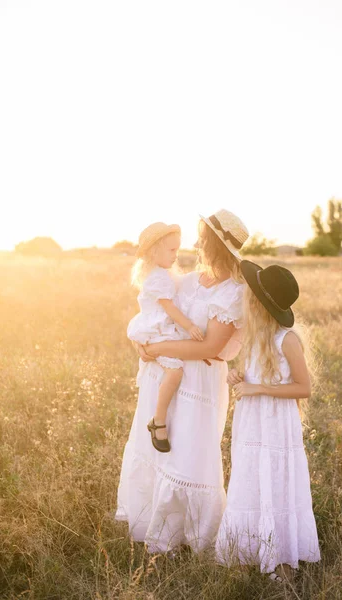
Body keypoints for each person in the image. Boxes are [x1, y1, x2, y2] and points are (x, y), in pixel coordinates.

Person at [116, 209, 249, 553]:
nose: (196, 244)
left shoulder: (234, 293)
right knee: (160, 449)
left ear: (218, 246)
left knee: (190, 452)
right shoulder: (188, 280)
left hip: (200, 385)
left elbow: (210, 346)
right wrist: (140, 342)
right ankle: (153, 526)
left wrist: (158, 347)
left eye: (203, 239)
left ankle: (192, 536)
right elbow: (154, 311)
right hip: (165, 376)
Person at [215, 261, 320, 582]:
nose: (245, 300)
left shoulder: (287, 340)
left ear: (260, 304)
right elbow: (254, 373)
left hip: (277, 426)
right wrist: (238, 375)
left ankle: (281, 558)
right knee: (249, 480)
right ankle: (246, 553)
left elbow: (304, 387)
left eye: (250, 297)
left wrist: (257, 387)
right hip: (252, 425)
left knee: (277, 483)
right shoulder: (255, 337)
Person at [127, 222, 203, 453]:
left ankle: (160, 417)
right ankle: (158, 420)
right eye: (171, 251)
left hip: (159, 327)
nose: (176, 255)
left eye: (177, 250)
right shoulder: (157, 278)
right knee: (175, 371)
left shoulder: (161, 273)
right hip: (156, 330)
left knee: (174, 370)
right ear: (154, 252)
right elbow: (169, 308)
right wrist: (189, 326)